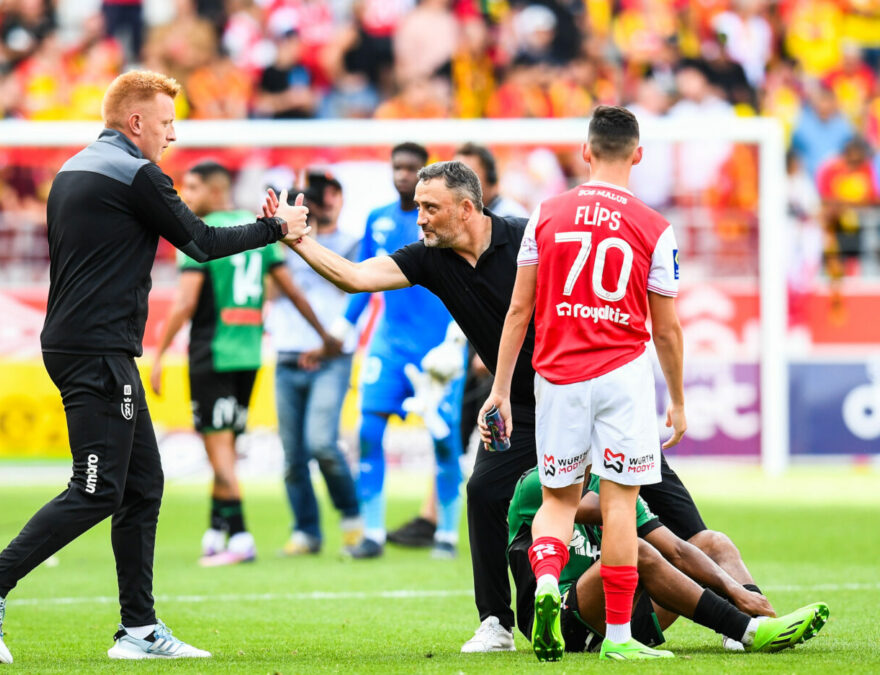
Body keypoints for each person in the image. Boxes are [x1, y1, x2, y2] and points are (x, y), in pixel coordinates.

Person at [269, 158, 719, 654]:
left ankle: (741, 610)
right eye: (418, 207)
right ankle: (496, 624)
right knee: (483, 491)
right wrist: (299, 241)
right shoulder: (428, 258)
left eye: (429, 208)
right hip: (518, 407)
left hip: (582, 393)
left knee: (674, 510)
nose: (418, 218)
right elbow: (354, 277)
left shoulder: (530, 238)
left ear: (466, 208)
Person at [0, 70, 309, 664]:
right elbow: (200, 242)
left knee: (142, 486)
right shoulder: (136, 172)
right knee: (96, 490)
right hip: (97, 349)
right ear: (135, 122)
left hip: (84, 343)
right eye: (166, 123)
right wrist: (276, 229)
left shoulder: (73, 167)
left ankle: (138, 628)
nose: (172, 135)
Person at [480, 105, 685, 661]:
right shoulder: (653, 226)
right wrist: (679, 402)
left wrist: (500, 389)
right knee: (620, 504)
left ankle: (547, 581)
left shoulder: (546, 214)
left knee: (557, 499)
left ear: (586, 151)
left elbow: (519, 310)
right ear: (637, 155)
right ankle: (618, 638)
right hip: (622, 373)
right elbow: (666, 329)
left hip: (557, 375)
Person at [149, 161, 336, 566]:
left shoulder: (200, 237)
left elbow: (184, 303)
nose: (187, 196)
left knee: (219, 451)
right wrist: (324, 335)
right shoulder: (258, 233)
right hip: (249, 355)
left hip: (212, 354)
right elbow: (291, 291)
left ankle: (240, 536)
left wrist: (159, 355)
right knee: (227, 446)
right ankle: (216, 529)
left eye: (194, 187)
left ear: (218, 191)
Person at [507, 469, 830, 655]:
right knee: (635, 548)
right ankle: (748, 631)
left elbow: (677, 550)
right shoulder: (538, 484)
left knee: (711, 542)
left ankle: (751, 623)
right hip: (567, 623)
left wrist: (736, 589)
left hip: (628, 616)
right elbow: (592, 507)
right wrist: (624, 492)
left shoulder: (615, 486)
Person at [327, 142, 467, 560]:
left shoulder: (446, 222)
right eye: (397, 168)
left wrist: (460, 338)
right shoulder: (379, 219)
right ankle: (372, 533)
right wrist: (344, 324)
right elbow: (362, 275)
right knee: (368, 431)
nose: (403, 175)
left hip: (437, 348)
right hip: (388, 344)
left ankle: (446, 533)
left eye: (411, 169)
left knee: (444, 442)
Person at [389, 142, 527, 549]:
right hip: (491, 368)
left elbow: (523, 308)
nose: (421, 218)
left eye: (431, 206)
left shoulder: (521, 229)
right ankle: (436, 518)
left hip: (544, 377)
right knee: (471, 457)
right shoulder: (441, 247)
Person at [269, 170, 364, 556]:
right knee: (293, 456)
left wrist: (328, 343)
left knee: (322, 443)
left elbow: (356, 289)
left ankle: (352, 516)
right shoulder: (279, 245)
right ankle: (306, 531)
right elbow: (272, 290)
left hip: (332, 356)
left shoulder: (353, 244)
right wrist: (276, 239)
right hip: (289, 353)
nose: (309, 205)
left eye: (313, 199)